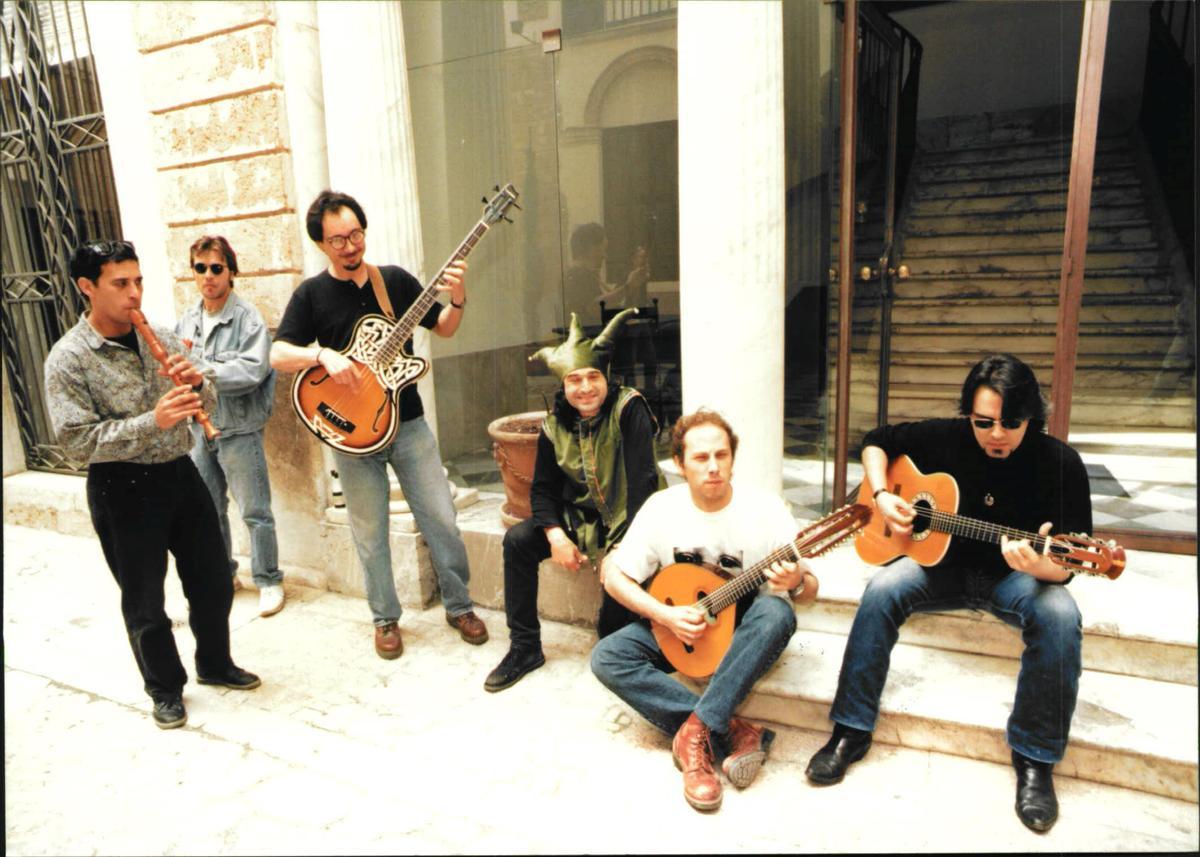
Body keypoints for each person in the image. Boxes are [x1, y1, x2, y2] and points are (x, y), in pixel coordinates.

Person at [805, 353, 1090, 834]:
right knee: (882, 588)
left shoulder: (1060, 463)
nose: (996, 434)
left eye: (1011, 422)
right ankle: (851, 730)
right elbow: (876, 441)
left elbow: (1071, 565)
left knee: (1061, 614)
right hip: (942, 569)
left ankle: (1035, 760)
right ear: (969, 415)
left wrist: (1042, 565)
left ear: (1031, 417)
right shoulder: (945, 437)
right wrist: (880, 495)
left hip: (1014, 580)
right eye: (983, 422)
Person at [43, 240, 261, 730]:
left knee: (211, 580)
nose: (134, 293)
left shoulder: (158, 333)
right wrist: (152, 422)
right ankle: (164, 688)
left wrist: (198, 384)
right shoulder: (68, 359)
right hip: (121, 488)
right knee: (144, 601)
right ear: (87, 287)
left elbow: (201, 381)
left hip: (179, 473)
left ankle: (215, 663)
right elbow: (77, 442)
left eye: (138, 281)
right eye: (121, 284)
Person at [270, 190, 487, 659]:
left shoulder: (395, 282)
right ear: (321, 245)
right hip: (352, 436)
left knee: (442, 520)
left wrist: (459, 295)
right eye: (338, 240)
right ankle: (385, 618)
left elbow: (444, 327)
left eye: (356, 234)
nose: (350, 246)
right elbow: (278, 354)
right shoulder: (311, 295)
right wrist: (321, 353)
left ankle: (460, 605)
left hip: (407, 425)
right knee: (370, 533)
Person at [591, 409, 820, 812]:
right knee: (608, 656)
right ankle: (732, 729)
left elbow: (809, 592)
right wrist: (666, 617)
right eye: (700, 458)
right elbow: (615, 579)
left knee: (778, 613)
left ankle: (695, 734)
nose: (713, 467)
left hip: (744, 632)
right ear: (679, 464)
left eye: (722, 455)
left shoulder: (765, 509)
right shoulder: (663, 508)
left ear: (733, 457)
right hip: (682, 625)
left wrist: (796, 582)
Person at [484, 309, 664, 693]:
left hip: (634, 522)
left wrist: (621, 550)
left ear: (606, 377)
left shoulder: (629, 409)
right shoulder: (554, 426)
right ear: (563, 385)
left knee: (611, 635)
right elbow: (543, 489)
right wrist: (555, 535)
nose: (585, 388)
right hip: (580, 520)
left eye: (592, 377)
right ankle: (525, 647)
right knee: (518, 541)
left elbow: (644, 485)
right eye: (575, 379)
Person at [175, 235, 284, 617]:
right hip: (198, 430)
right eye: (200, 268)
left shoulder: (247, 318)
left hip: (238, 429)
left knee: (255, 510)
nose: (208, 276)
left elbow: (253, 370)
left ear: (231, 271)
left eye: (216, 268)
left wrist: (201, 372)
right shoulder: (188, 318)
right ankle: (224, 575)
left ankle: (269, 579)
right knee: (208, 510)